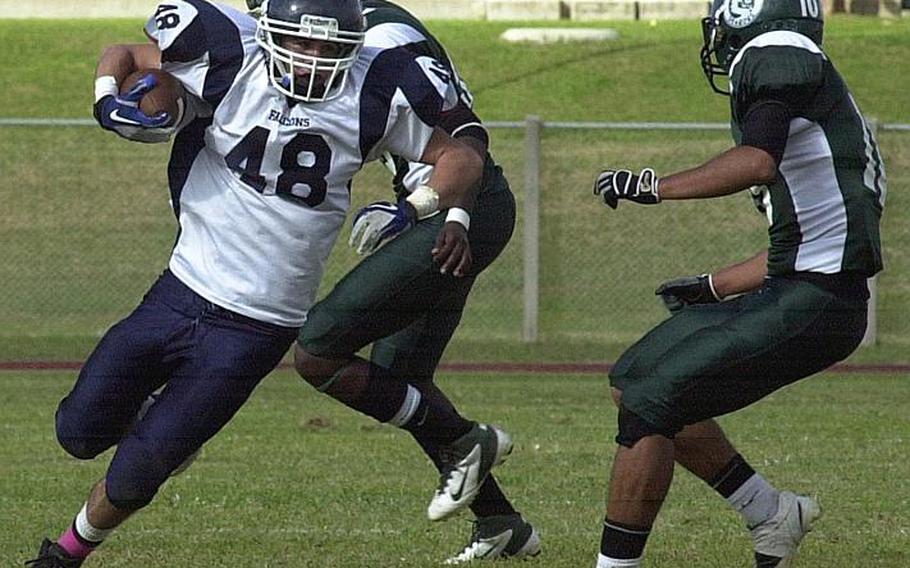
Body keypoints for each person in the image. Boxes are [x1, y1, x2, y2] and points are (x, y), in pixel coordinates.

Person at [27, 0, 500, 565]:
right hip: (180, 292)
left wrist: (415, 206)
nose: (315, 58)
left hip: (260, 325)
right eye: (303, 43)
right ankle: (160, 415)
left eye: (330, 48)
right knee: (76, 432)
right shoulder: (230, 51)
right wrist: (108, 98)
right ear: (270, 31)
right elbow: (126, 53)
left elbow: (464, 157)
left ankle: (65, 554)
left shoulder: (378, 81)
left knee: (140, 471)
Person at [590, 0, 886, 566]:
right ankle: (771, 513)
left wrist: (651, 185)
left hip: (817, 301)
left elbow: (754, 163)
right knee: (633, 380)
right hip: (806, 290)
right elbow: (805, 244)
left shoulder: (776, 52)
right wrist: (713, 285)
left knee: (652, 402)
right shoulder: (820, 104)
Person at [285, 0, 540, 563]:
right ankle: (500, 523)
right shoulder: (364, 25)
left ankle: (473, 440)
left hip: (455, 208)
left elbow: (467, 133)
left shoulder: (387, 35)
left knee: (320, 346)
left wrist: (449, 214)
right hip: (445, 207)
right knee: (401, 375)